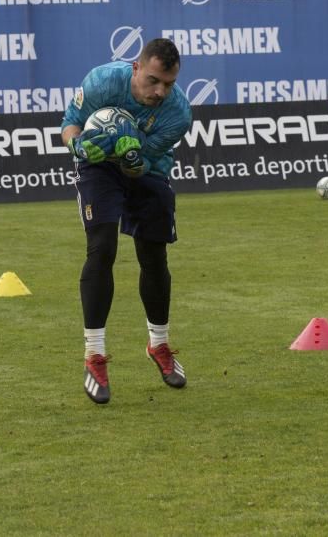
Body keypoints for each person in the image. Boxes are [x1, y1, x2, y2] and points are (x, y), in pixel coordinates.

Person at [60, 38, 193, 405]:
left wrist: (135, 161)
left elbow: (144, 161)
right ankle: (95, 356)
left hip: (149, 172)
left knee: (154, 259)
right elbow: (69, 125)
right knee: (102, 249)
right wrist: (79, 147)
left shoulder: (178, 113)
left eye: (168, 83)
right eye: (153, 80)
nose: (160, 91)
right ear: (136, 67)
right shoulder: (103, 82)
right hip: (98, 167)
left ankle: (160, 345)